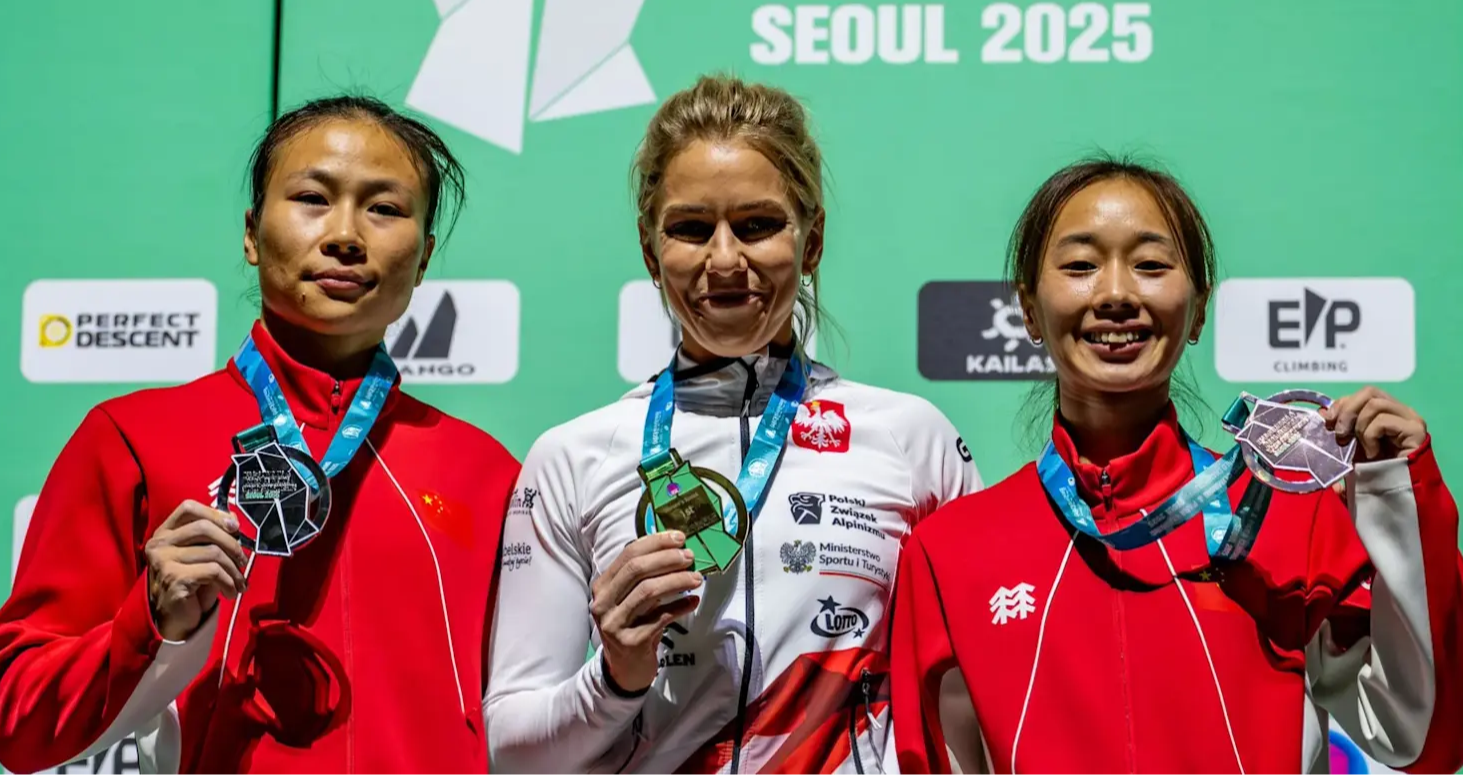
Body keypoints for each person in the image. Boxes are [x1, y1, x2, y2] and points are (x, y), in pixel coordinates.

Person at [890, 156, 1463, 775]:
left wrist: (1395, 499)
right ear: (1028, 309)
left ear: (1200, 308)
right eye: (1081, 265)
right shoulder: (951, 552)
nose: (1115, 294)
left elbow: (1420, 738)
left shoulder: (1291, 519)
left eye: (1151, 265)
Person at [0, 95, 519, 774]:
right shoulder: (131, 438)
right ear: (251, 232)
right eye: (311, 197)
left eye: (385, 208)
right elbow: (18, 718)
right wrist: (150, 621)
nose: (345, 234)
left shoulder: (487, 472)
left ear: (422, 258)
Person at [484, 74, 982, 774]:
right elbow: (513, 754)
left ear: (810, 243)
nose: (724, 260)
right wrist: (617, 673)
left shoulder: (911, 437)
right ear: (648, 249)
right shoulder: (572, 456)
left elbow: (969, 707)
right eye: (690, 229)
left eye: (757, 225)